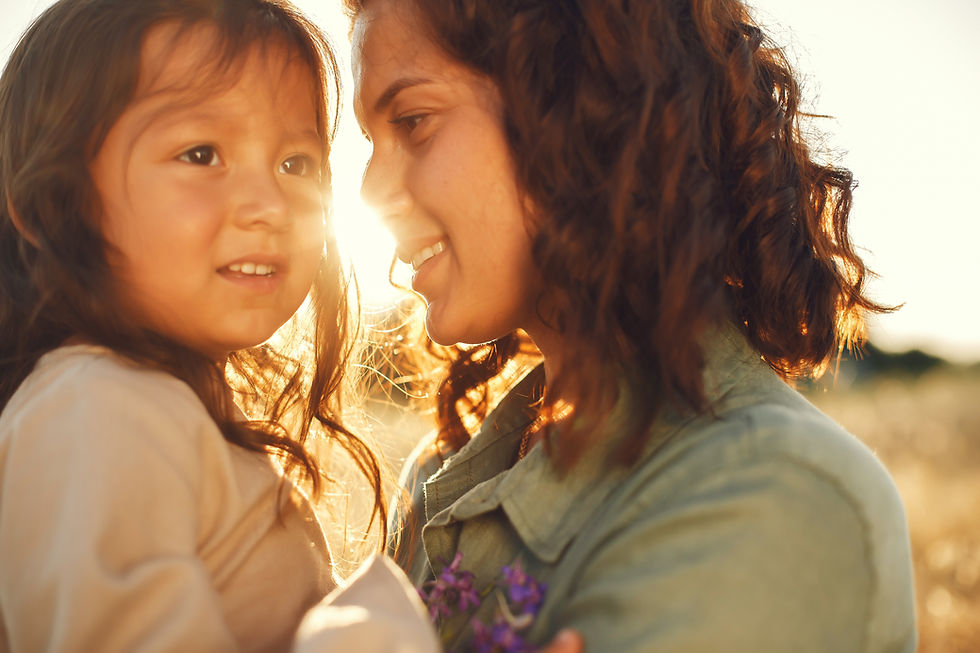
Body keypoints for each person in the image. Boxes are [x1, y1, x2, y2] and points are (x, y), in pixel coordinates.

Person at [349, 0, 918, 650]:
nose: (369, 187)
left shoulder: (775, 495)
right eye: (370, 141)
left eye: (413, 121)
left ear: (574, 101)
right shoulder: (443, 473)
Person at [0, 1, 436, 650]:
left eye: (297, 164)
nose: (269, 205)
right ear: (59, 201)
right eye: (201, 153)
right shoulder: (93, 410)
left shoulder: (148, 404)